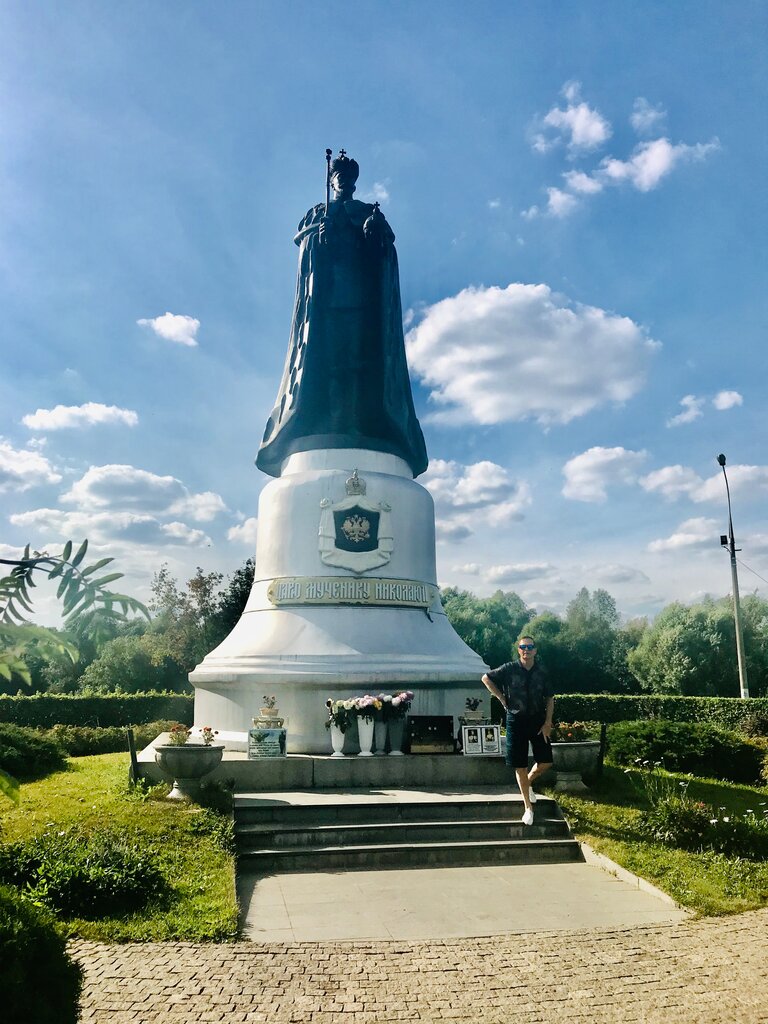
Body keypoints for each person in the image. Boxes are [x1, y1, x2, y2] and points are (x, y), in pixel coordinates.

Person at [256, 149, 428, 478]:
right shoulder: (318, 214)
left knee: (362, 370)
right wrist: (318, 239)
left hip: (365, 309)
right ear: (331, 181)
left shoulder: (367, 212)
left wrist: (373, 235)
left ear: (354, 183)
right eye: (338, 179)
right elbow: (305, 252)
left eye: (348, 180)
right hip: (325, 306)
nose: (343, 185)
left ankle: (362, 423)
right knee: (325, 366)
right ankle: (324, 422)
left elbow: (385, 253)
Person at [481, 636, 554, 826]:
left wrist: (548, 722)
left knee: (545, 762)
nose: (526, 650)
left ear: (535, 650)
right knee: (519, 764)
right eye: (523, 647)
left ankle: (527, 782)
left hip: (538, 721)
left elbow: (550, 698)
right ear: (518, 650)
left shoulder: (542, 672)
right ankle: (528, 807)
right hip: (516, 720)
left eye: (530, 647)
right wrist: (501, 698)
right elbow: (486, 678)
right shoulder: (509, 668)